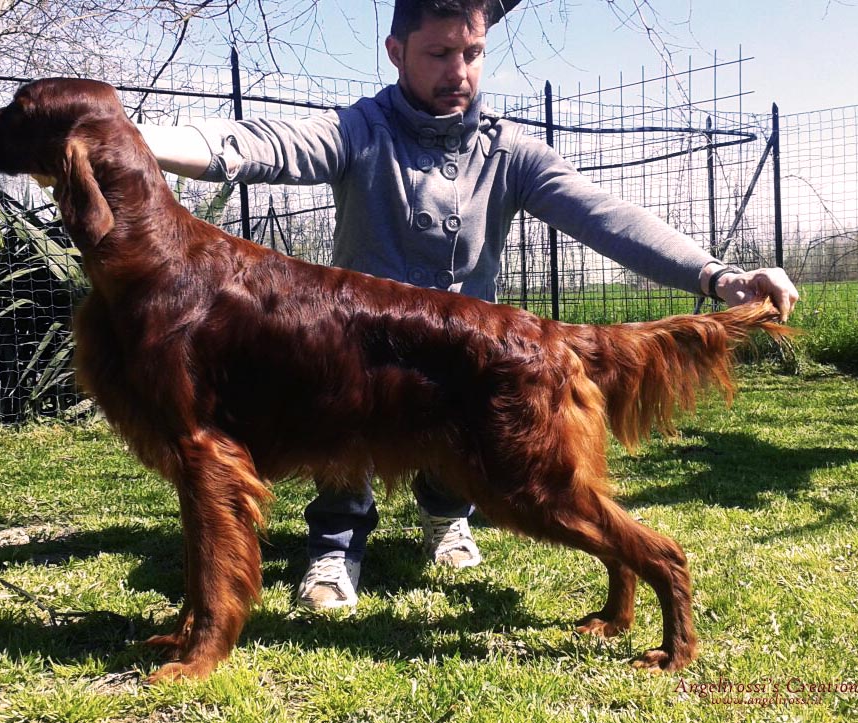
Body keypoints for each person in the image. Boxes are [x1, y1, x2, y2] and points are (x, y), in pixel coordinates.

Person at [138, 0, 799, 612]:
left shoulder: (510, 152)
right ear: (396, 51)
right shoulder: (360, 131)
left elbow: (607, 217)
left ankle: (447, 516)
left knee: (476, 421)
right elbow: (259, 145)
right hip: (360, 355)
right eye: (438, 54)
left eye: (472, 53)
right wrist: (128, 139)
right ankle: (335, 544)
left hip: (462, 359)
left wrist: (719, 276)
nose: (458, 72)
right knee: (335, 413)